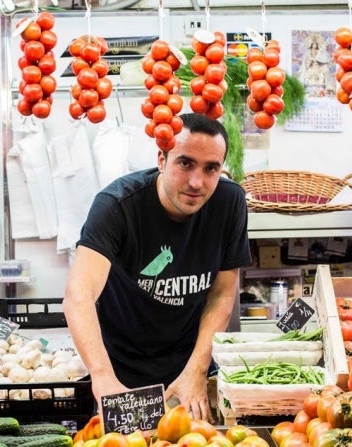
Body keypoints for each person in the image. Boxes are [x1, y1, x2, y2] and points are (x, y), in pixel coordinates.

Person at [63, 113, 252, 421]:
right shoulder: (117, 205)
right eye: (185, 163)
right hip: (121, 370)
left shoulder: (230, 203)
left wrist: (198, 369)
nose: (196, 182)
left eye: (211, 169)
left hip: (191, 364)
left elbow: (221, 294)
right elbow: (78, 296)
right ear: (162, 160)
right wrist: (102, 377)